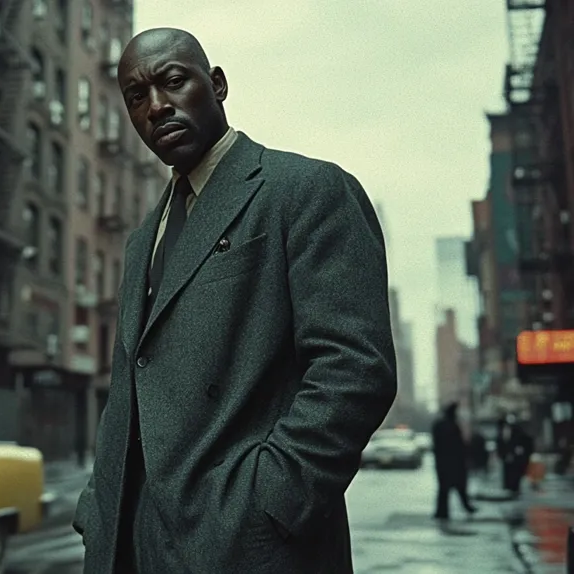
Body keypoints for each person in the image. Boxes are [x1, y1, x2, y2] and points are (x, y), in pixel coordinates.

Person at [72, 28, 397, 574]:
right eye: (136, 96)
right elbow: (130, 389)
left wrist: (270, 501)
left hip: (249, 546)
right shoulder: (142, 239)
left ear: (218, 85)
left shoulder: (306, 190)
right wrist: (98, 510)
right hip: (132, 549)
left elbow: (354, 368)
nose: (157, 106)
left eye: (174, 81)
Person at [431, 402, 477, 520]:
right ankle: (464, 507)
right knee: (459, 486)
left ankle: (442, 512)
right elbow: (459, 446)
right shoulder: (452, 426)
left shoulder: (439, 425)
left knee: (444, 489)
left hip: (443, 464)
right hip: (454, 464)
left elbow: (436, 446)